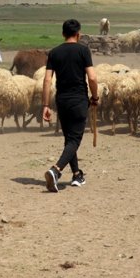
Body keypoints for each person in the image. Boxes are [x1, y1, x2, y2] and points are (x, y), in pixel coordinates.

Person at [41, 19, 99, 192]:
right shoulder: (83, 50)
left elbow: (47, 80)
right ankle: (56, 170)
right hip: (79, 100)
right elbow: (92, 77)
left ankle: (76, 175)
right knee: (74, 140)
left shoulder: (54, 52)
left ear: (63, 34)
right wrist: (95, 97)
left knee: (69, 138)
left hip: (62, 101)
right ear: (78, 34)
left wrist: (45, 105)